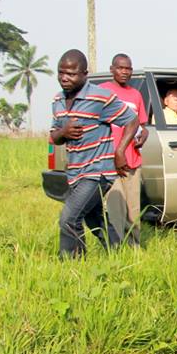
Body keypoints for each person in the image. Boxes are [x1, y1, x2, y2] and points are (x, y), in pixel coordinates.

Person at [50, 49, 138, 258]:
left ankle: (73, 266)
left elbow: (131, 120)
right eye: (61, 72)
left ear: (84, 74)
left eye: (71, 74)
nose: (64, 78)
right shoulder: (58, 100)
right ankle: (118, 253)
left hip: (98, 171)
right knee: (95, 218)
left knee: (69, 218)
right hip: (75, 172)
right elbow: (54, 137)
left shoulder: (100, 97)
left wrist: (119, 151)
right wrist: (64, 132)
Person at [99, 54, 148, 247]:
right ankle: (116, 247)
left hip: (132, 159)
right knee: (114, 208)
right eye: (120, 68)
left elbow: (141, 124)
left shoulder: (135, 95)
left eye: (128, 68)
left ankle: (134, 246)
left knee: (133, 208)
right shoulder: (102, 91)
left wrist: (145, 135)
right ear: (112, 69)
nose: (125, 72)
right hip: (109, 160)